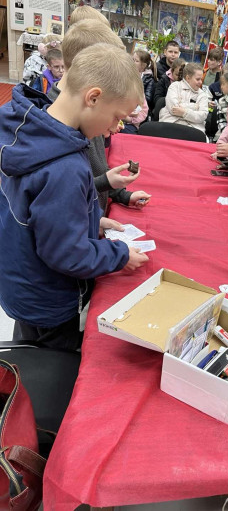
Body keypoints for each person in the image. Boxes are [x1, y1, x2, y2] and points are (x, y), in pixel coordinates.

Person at [0, 43, 149, 350]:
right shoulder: (65, 168)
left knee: (28, 344)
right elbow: (66, 253)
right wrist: (119, 255)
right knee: (49, 362)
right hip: (47, 298)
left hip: (23, 282)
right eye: (116, 117)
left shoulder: (33, 128)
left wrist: (89, 216)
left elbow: (37, 210)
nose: (115, 128)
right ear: (93, 98)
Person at [48, 19, 150, 214]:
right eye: (115, 117)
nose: (114, 128)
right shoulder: (59, 144)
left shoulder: (85, 118)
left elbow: (88, 178)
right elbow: (66, 206)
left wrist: (118, 193)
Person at [159, 62, 208, 133]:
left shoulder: (202, 94)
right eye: (197, 79)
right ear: (188, 78)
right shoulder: (174, 86)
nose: (200, 82)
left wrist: (184, 112)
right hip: (171, 124)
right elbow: (173, 108)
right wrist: (194, 107)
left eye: (201, 79)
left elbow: (202, 116)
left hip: (193, 129)